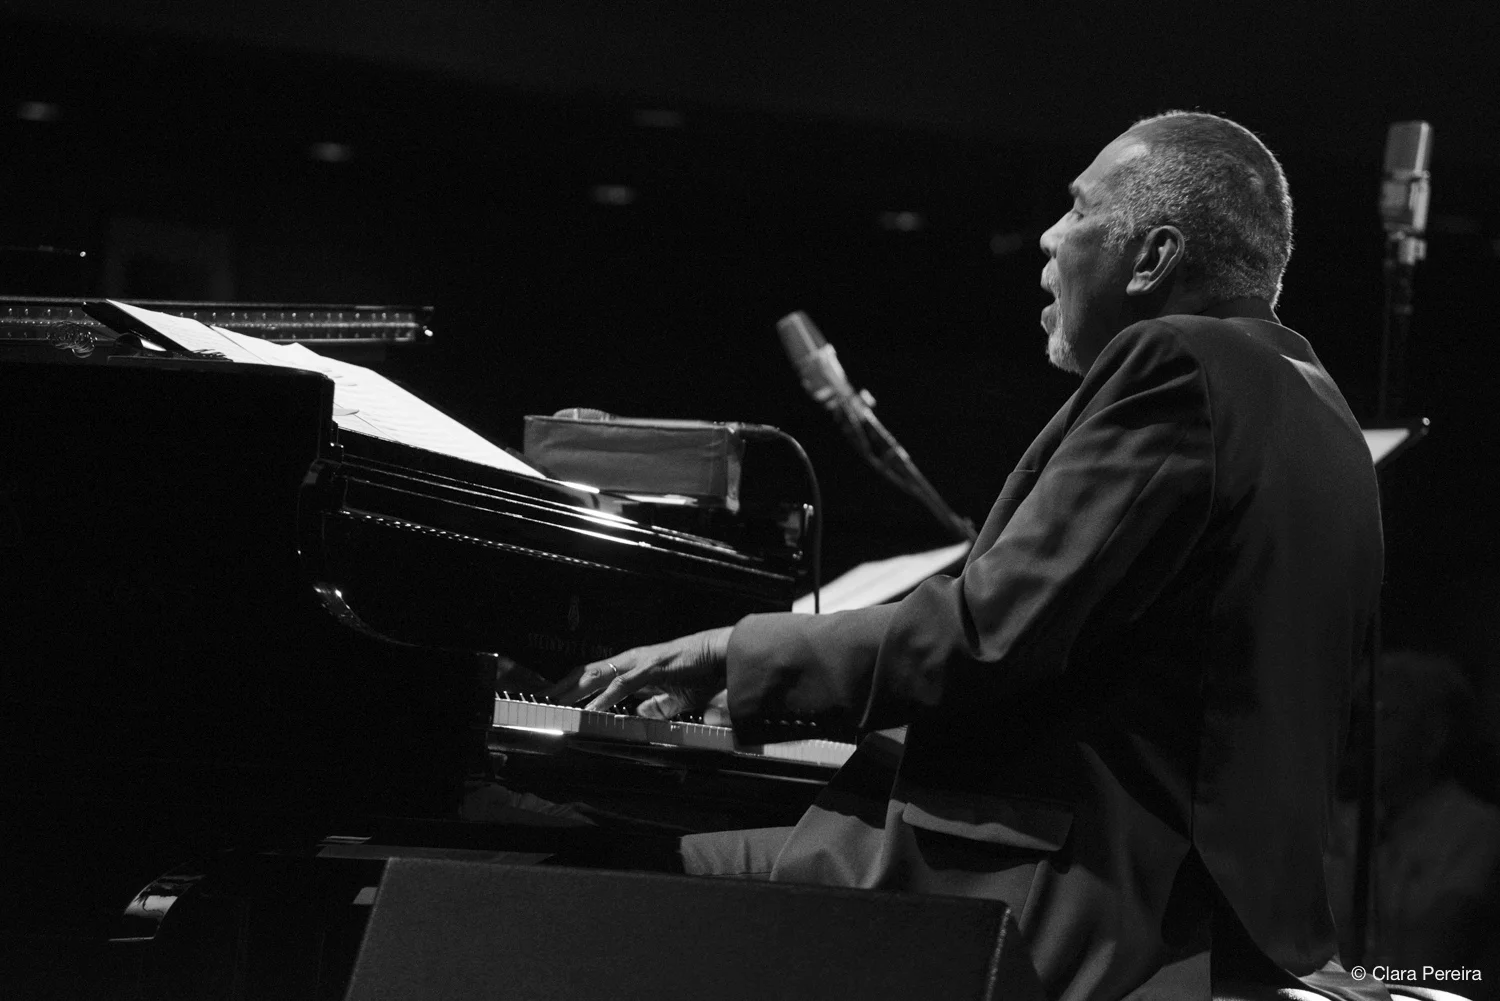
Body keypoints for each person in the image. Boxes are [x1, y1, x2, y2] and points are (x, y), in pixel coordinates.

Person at [546, 111, 1386, 1001]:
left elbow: (988, 633)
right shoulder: (1320, 409)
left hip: (1056, 898)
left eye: (1078, 210)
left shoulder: (1178, 362)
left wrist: (733, 651)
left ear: (1153, 257)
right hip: (1212, 908)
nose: (1049, 237)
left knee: (591, 874)